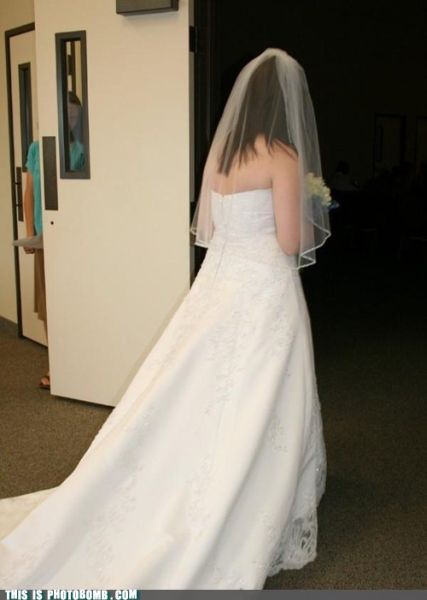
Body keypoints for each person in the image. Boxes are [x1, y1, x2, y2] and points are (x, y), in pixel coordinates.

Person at [0, 48, 331, 589]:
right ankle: (257, 492)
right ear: (287, 102)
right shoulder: (282, 154)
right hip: (265, 288)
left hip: (220, 284)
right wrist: (313, 208)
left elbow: (211, 229)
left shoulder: (222, 152)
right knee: (266, 392)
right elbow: (291, 241)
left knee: (202, 389)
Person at [23, 140, 50, 389]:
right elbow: (29, 192)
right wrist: (30, 232)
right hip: (44, 236)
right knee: (47, 303)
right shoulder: (36, 148)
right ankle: (56, 363)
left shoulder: (82, 144)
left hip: (76, 237)